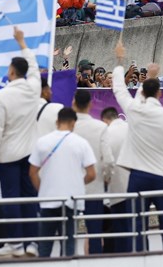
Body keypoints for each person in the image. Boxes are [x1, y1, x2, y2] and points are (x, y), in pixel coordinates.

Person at [112, 41, 163, 251]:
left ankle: (139, 257)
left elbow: (119, 89)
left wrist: (119, 60)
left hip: (138, 175)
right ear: (161, 94)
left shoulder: (134, 109)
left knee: (137, 223)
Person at [0, 27, 41, 257]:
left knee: (11, 198)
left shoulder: (1, 96)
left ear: (11, 72)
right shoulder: (34, 88)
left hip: (8, 155)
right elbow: (35, 67)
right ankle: (32, 243)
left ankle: (16, 244)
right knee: (30, 198)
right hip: (29, 152)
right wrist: (23, 42)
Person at [29, 107, 96, 257]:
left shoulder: (42, 142)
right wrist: (77, 182)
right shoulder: (81, 143)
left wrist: (43, 189)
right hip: (71, 201)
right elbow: (91, 174)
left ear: (56, 122)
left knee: (44, 245)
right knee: (68, 245)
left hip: (48, 200)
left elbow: (32, 172)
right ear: (73, 123)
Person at [72, 90, 114, 254]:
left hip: (71, 188)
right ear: (91, 104)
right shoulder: (101, 127)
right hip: (94, 187)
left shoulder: (68, 127)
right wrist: (106, 179)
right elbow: (108, 160)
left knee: (67, 233)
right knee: (95, 233)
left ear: (73, 103)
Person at [100, 107, 130, 253]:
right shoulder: (130, 128)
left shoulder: (107, 133)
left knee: (120, 228)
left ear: (105, 120)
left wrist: (106, 178)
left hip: (116, 187)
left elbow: (107, 161)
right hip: (136, 184)